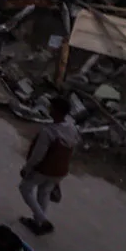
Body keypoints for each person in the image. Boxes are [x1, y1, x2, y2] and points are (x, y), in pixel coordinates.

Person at [19, 94, 80, 235]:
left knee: (25, 188)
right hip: (60, 171)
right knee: (44, 193)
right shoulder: (72, 128)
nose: (49, 109)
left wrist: (27, 168)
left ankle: (42, 220)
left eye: (51, 108)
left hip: (44, 169)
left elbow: (37, 155)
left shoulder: (48, 132)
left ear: (56, 111)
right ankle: (38, 223)